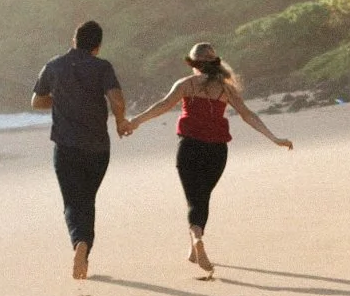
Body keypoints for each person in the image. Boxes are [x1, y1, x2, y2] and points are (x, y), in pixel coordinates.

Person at [122, 41, 291, 278]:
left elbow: (161, 106)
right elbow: (247, 115)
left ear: (194, 64)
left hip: (189, 147)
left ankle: (196, 237)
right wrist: (274, 138)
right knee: (202, 197)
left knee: (194, 200)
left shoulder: (186, 84)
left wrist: (135, 122)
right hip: (217, 151)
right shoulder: (226, 89)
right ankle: (194, 248)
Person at [31, 20, 129, 280]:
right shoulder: (102, 67)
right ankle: (84, 246)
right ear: (97, 46)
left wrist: (63, 99)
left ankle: (80, 244)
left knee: (74, 202)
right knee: (86, 199)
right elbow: (117, 99)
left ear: (73, 40)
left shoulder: (53, 66)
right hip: (97, 148)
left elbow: (37, 101)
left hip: (66, 147)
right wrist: (120, 122)